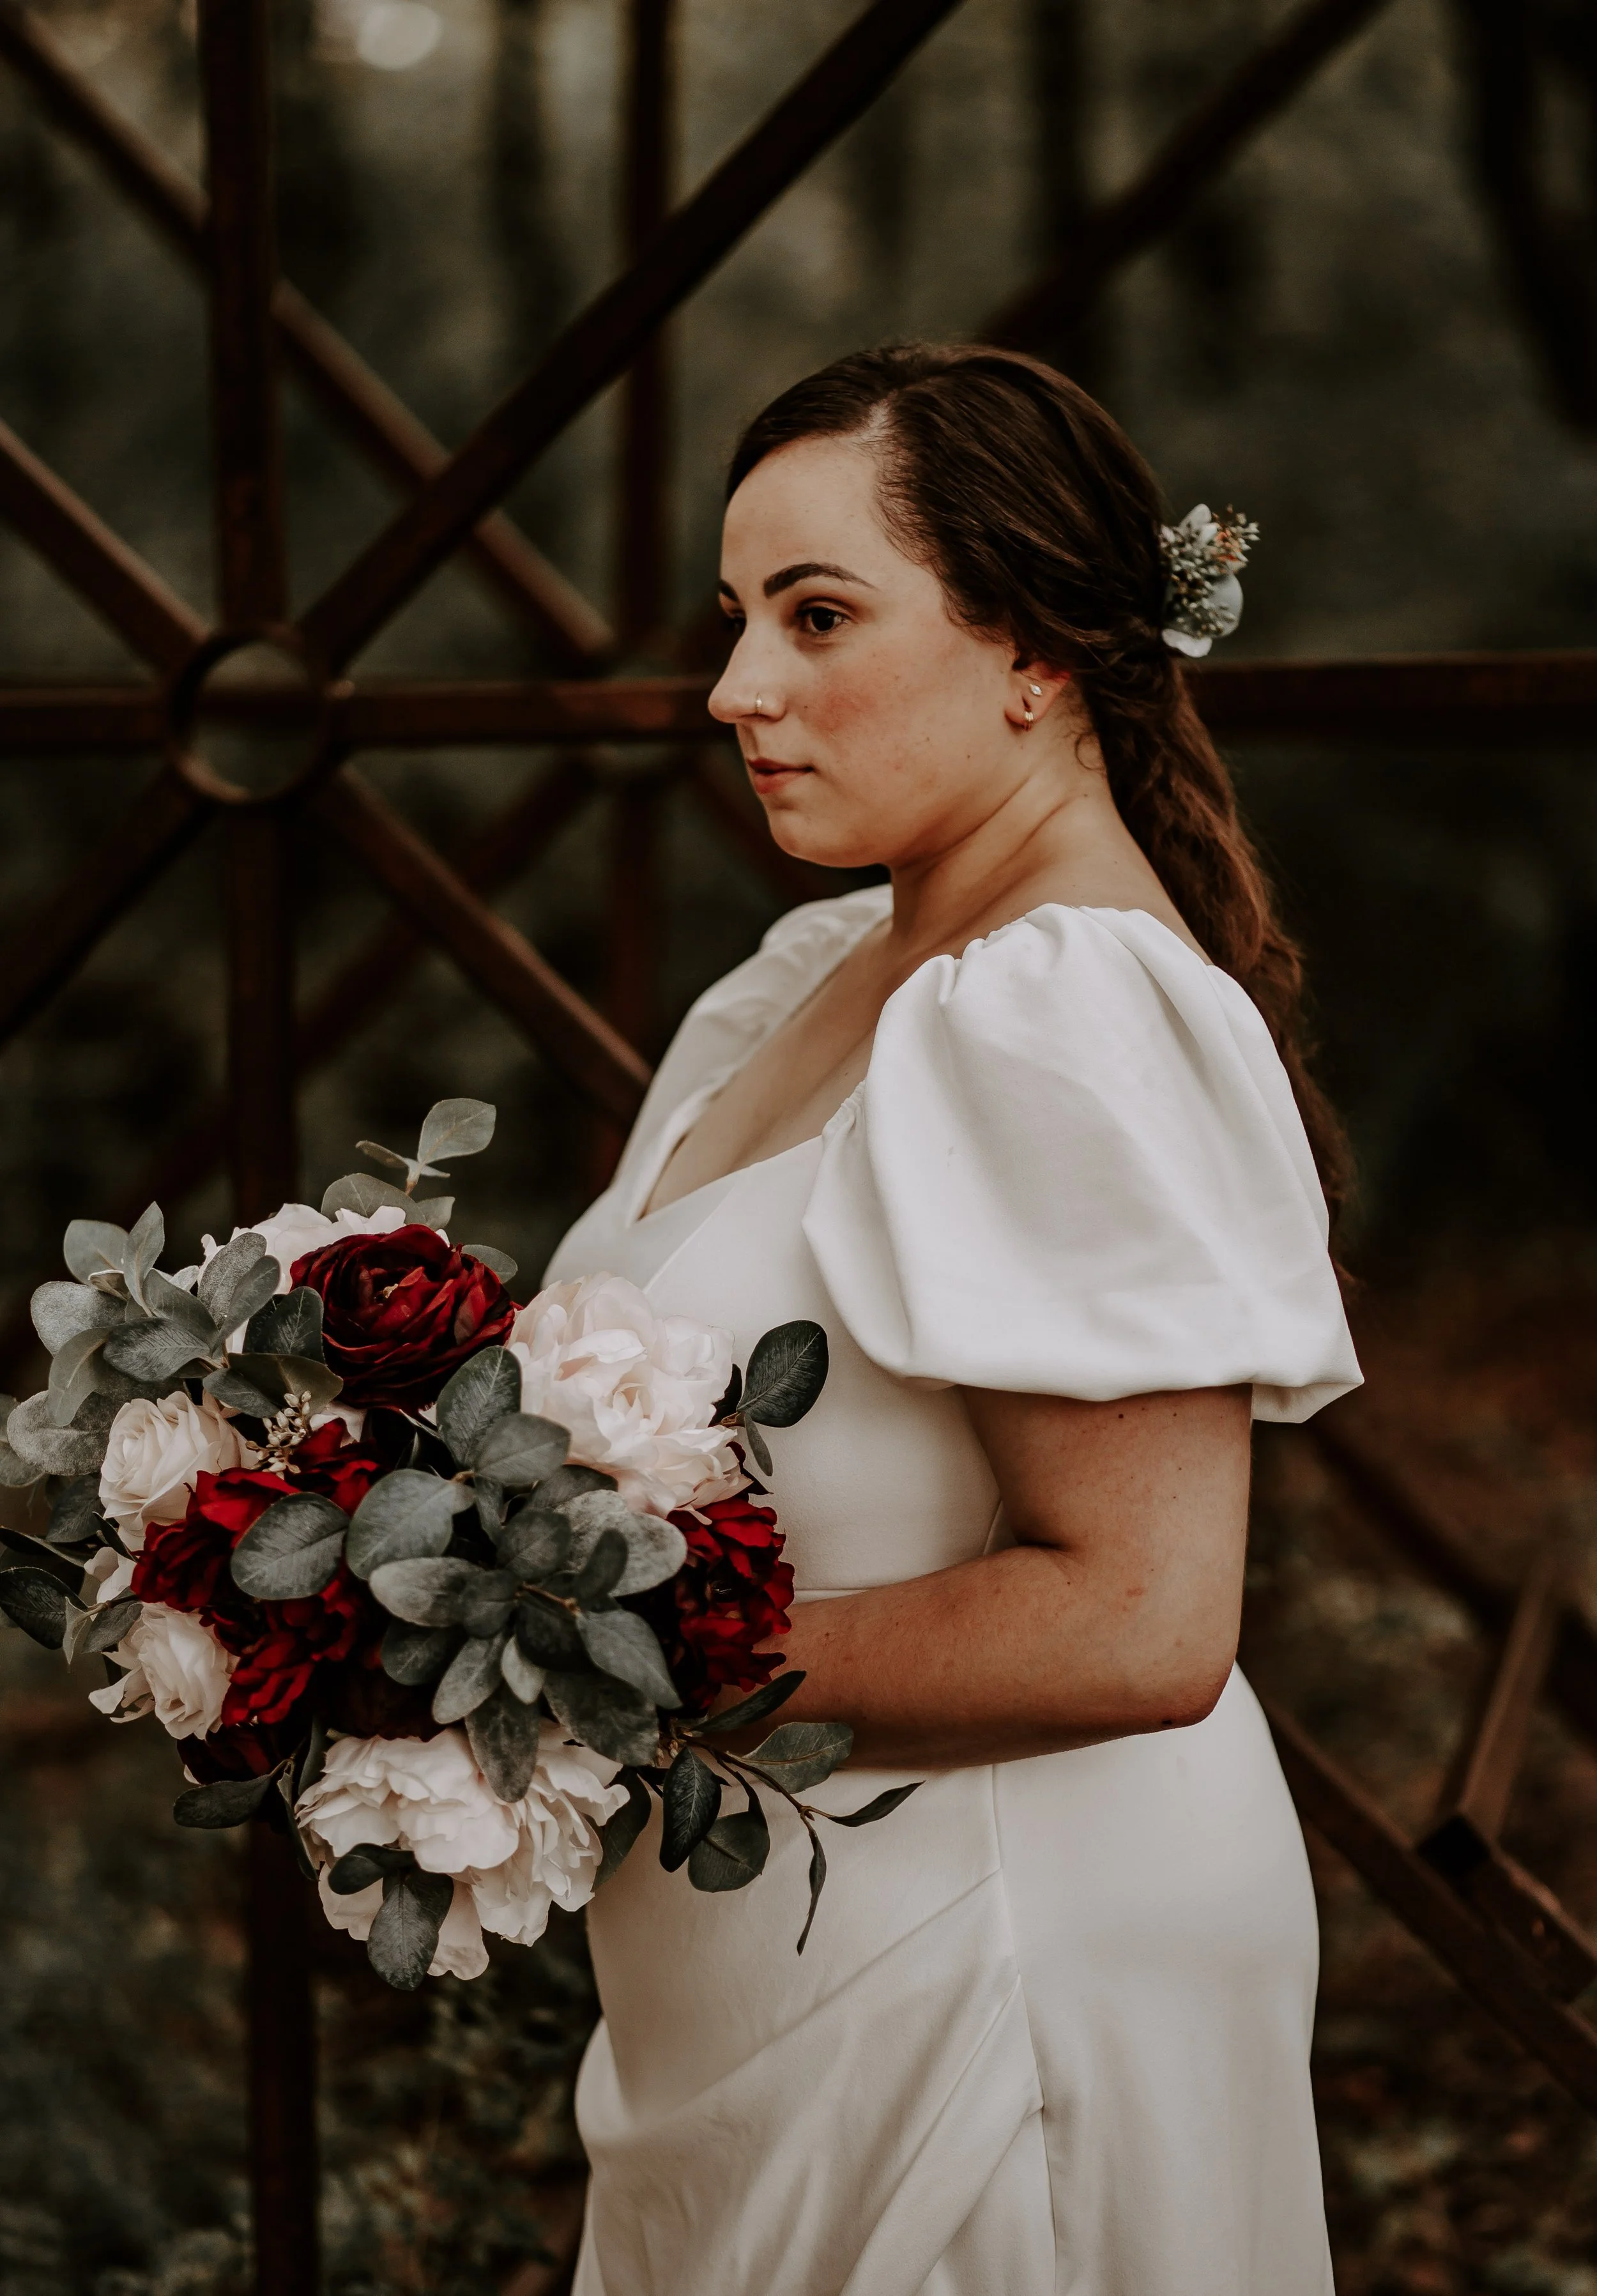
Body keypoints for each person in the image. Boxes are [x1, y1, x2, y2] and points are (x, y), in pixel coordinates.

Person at [547, 344, 1361, 2296]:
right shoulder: (819, 966)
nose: (737, 688)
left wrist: (581, 1656)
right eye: (736, 620)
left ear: (1039, 653)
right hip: (756, 1980)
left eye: (820, 616)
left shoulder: (1054, 1006)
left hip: (996, 1963)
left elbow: (1139, 1620)